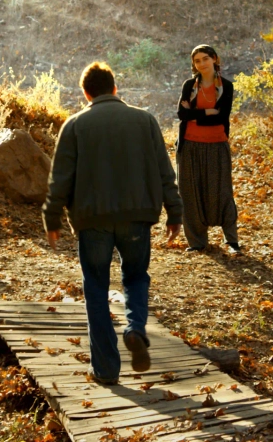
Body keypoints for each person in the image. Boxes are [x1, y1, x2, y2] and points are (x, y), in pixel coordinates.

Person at [44, 62, 183, 384]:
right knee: (135, 277)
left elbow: (60, 178)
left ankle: (106, 370)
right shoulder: (145, 120)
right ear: (115, 88)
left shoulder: (75, 124)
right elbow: (165, 170)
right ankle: (135, 329)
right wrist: (175, 211)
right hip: (137, 217)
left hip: (93, 220)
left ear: (85, 93)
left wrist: (52, 218)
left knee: (95, 287)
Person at [175, 44, 240, 253]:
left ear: (214, 59)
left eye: (205, 58)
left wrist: (197, 115)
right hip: (189, 144)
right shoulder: (189, 86)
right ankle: (197, 242)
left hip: (216, 144)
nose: (201, 63)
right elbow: (181, 115)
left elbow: (222, 117)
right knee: (190, 192)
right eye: (197, 60)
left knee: (221, 191)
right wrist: (208, 112)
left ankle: (231, 241)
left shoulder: (226, 87)